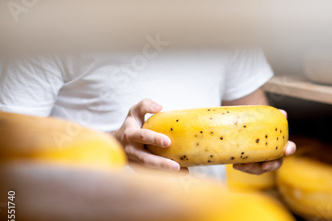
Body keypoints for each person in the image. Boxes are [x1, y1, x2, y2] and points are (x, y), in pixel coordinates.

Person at [0, 47, 296, 180]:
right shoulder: (52, 23)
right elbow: (8, 153)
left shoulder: (228, 16)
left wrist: (265, 152)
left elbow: (255, 114)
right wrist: (114, 144)